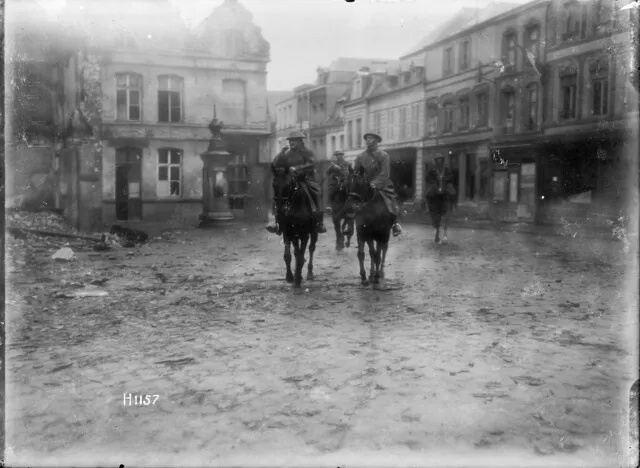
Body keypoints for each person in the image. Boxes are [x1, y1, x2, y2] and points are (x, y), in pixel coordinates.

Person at [266, 130, 327, 235]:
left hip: (305, 178)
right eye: (290, 140)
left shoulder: (307, 152)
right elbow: (276, 164)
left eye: (294, 140)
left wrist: (298, 168)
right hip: (290, 178)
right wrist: (281, 153)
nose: (291, 142)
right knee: (279, 193)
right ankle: (276, 222)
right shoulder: (286, 153)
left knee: (317, 192)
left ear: (300, 141)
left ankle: (319, 222)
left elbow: (313, 163)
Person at [353, 132, 403, 237]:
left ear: (376, 140)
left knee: (391, 199)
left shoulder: (384, 155)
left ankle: (395, 223)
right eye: (366, 138)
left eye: (370, 138)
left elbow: (385, 173)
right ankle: (350, 223)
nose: (367, 140)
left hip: (382, 184)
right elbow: (356, 172)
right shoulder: (360, 156)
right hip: (365, 185)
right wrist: (359, 182)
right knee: (353, 200)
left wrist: (374, 183)